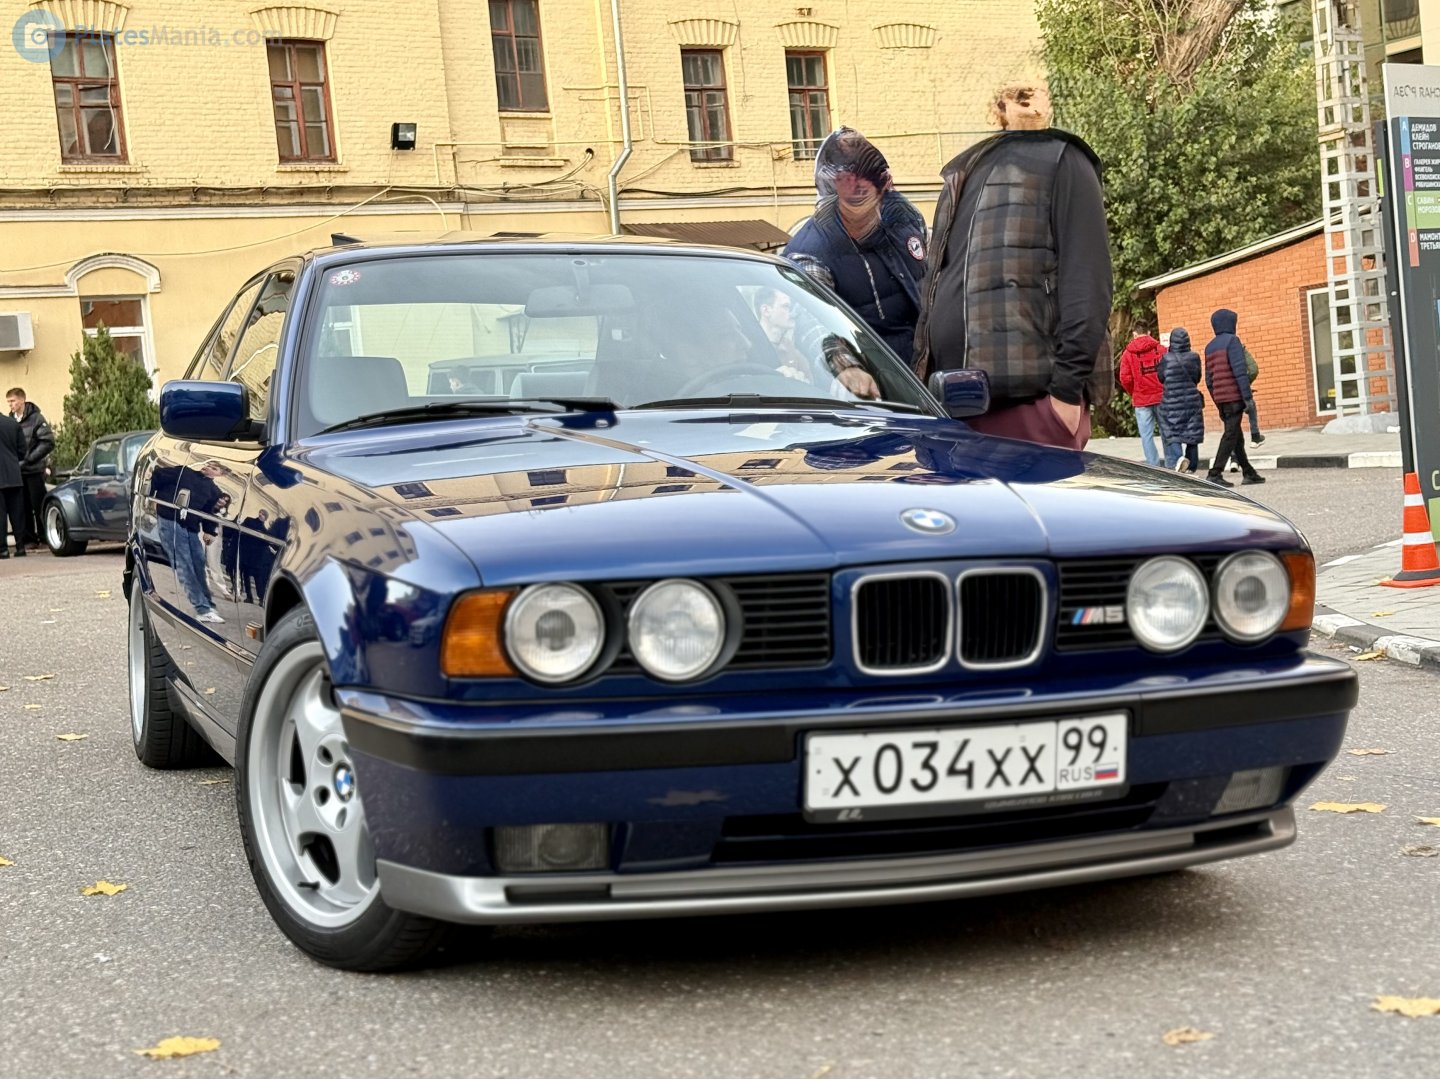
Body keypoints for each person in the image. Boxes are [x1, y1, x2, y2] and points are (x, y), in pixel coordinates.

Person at [913, 82, 1113, 451]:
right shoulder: (966, 169)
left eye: (1035, 95)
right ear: (999, 108)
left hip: (1032, 408)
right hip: (951, 407)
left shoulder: (1065, 159)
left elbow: (1088, 281)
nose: (1029, 105)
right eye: (1019, 96)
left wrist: (1065, 395)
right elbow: (935, 286)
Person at [784, 127, 928, 363]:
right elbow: (811, 323)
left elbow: (934, 288)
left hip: (932, 379)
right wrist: (847, 369)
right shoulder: (810, 253)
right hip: (881, 390)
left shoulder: (907, 223)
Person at [1203, 309, 1264, 487]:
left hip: (1221, 399)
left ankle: (1248, 472)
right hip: (1235, 397)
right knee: (1230, 435)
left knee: (1236, 435)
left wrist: (1217, 400)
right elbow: (1239, 372)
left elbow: (1209, 380)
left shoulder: (1209, 346)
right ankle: (1215, 473)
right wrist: (1247, 398)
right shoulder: (1233, 341)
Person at [6, 388, 53, 551]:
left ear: (21, 400)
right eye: (8, 402)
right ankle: (29, 539)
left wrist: (29, 459)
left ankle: (45, 537)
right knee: (23, 505)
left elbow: (47, 441)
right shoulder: (10, 421)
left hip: (34, 470)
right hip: (18, 471)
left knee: (38, 504)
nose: (10, 405)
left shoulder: (36, 419)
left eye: (12, 401)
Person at [1156, 328, 1204, 474]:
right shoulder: (1194, 357)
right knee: (1192, 431)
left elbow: (1161, 377)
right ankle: (1192, 465)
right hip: (1191, 400)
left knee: (1172, 430)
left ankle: (1178, 458)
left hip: (1172, 401)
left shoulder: (1166, 358)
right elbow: (1197, 377)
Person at [1118, 329, 1165, 467]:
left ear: (1134, 333)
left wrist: (1134, 392)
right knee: (1166, 432)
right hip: (1161, 396)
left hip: (1141, 400)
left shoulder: (1128, 354)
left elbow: (1125, 378)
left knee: (1146, 436)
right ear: (1149, 332)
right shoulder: (1161, 349)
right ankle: (1171, 464)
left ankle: (1153, 465)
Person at [0, 409, 27, 559]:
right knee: (17, 513)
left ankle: (2, 549)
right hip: (14, 475)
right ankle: (21, 546)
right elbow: (23, 450)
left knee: (0, 515)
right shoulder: (12, 423)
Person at [1242, 347, 1265, 446]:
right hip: (1242, 389)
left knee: (1231, 425)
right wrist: (1246, 383)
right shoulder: (1239, 348)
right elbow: (1253, 370)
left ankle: (1234, 457)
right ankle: (1255, 436)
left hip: (1226, 393)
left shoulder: (1214, 349)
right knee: (1251, 407)